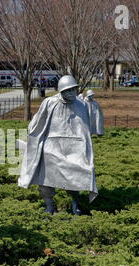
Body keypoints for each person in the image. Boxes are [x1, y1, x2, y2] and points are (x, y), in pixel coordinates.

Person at [18, 75, 98, 215]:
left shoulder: (82, 105)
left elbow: (84, 129)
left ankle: (75, 203)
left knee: (77, 173)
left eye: (73, 89)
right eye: (67, 90)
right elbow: (37, 122)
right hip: (52, 145)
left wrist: (85, 150)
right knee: (45, 177)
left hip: (74, 147)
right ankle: (49, 205)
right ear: (61, 91)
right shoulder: (50, 102)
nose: (71, 93)